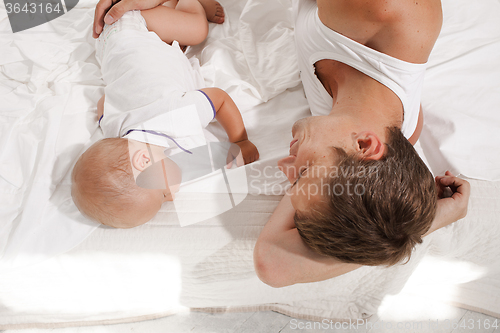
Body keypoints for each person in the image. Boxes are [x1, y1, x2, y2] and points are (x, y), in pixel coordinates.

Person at [90, 0, 470, 285]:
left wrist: (421, 225)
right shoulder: (383, 10)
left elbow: (271, 262)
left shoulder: (355, 134)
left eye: (293, 181)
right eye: (302, 172)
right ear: (366, 146)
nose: (282, 168)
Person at [72, 0, 259, 228]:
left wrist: (240, 140)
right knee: (174, 46)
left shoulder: (176, 117)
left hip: (135, 25)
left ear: (144, 159)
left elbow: (219, 99)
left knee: (198, 30)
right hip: (110, 43)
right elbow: (103, 104)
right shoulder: (114, 129)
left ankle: (192, 3)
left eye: (162, 195)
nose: (170, 197)